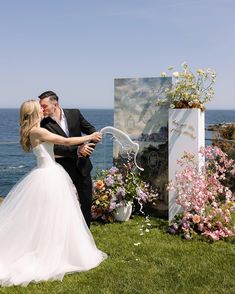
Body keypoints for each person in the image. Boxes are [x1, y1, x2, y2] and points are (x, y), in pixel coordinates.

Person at [0, 100, 107, 287]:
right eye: (39, 109)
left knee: (50, 215)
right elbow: (65, 141)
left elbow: (52, 152)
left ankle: (54, 247)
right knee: (54, 214)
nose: (43, 111)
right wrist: (89, 136)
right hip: (49, 177)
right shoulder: (38, 131)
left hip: (48, 174)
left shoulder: (35, 131)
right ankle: (53, 252)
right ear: (33, 113)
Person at [39, 91, 96, 228]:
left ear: (55, 104)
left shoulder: (75, 113)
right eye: (40, 106)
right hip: (61, 170)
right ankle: (65, 234)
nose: (42, 109)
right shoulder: (42, 124)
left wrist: (86, 148)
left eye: (44, 106)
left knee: (86, 202)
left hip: (83, 166)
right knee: (63, 205)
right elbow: (54, 148)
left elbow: (92, 132)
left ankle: (85, 236)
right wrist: (77, 150)